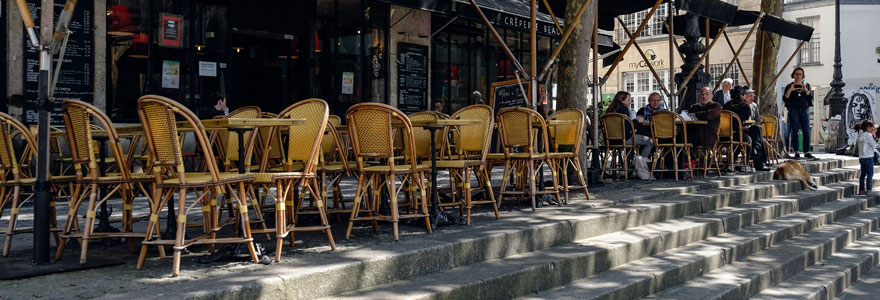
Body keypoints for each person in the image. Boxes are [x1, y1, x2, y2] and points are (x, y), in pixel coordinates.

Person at [724, 86, 769, 171]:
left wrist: (748, 126)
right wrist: (744, 127)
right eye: (750, 96)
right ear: (742, 95)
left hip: (740, 130)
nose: (752, 98)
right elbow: (736, 121)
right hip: (736, 131)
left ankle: (755, 152)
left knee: (756, 130)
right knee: (756, 135)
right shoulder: (742, 106)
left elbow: (757, 120)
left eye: (753, 96)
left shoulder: (753, 106)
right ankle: (756, 159)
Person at [605, 91, 652, 157]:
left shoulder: (609, 111)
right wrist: (637, 121)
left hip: (610, 140)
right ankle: (641, 162)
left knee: (632, 139)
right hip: (623, 139)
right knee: (650, 142)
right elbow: (628, 127)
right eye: (629, 99)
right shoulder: (623, 110)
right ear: (622, 100)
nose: (630, 102)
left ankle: (629, 162)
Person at [782, 67, 814, 159]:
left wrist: (805, 89)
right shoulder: (789, 86)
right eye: (796, 74)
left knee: (806, 131)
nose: (798, 76)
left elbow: (810, 97)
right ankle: (796, 151)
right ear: (793, 75)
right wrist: (791, 90)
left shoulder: (807, 85)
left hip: (804, 109)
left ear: (803, 75)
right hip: (793, 109)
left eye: (800, 74)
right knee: (794, 130)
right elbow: (785, 98)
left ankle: (807, 151)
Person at [856, 121, 879, 194]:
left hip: (862, 157)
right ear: (868, 127)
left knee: (863, 174)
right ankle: (869, 189)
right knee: (870, 174)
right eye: (872, 127)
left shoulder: (860, 135)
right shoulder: (868, 135)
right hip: (869, 157)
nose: (873, 129)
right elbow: (874, 145)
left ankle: (861, 189)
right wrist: (873, 136)